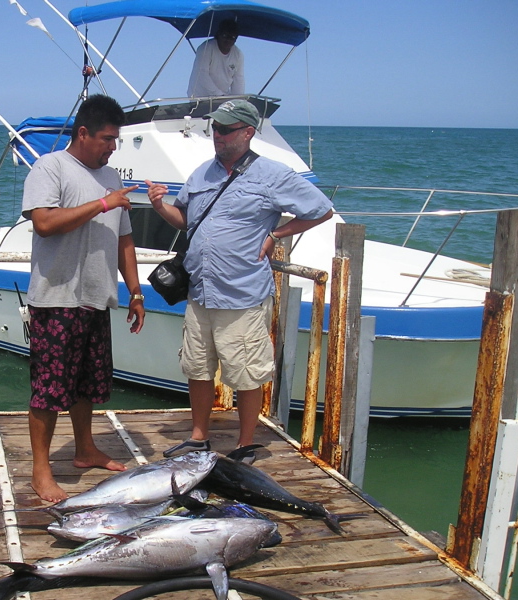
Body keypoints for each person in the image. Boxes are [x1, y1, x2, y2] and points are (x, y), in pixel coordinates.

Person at [146, 99, 333, 464]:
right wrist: (157, 206)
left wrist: (277, 234)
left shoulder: (273, 174)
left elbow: (321, 209)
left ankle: (244, 444)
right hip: (199, 293)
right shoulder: (201, 174)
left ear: (248, 133)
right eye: (215, 128)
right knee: (197, 368)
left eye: (226, 129)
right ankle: (199, 437)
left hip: (243, 295)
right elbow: (184, 220)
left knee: (247, 374)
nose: (218, 134)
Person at [21, 94, 146, 503]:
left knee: (87, 385)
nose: (112, 147)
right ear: (83, 133)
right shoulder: (50, 166)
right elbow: (43, 223)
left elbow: (124, 238)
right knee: (49, 390)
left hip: (96, 297)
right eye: (107, 139)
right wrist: (102, 203)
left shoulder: (111, 177)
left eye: (117, 140)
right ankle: (41, 471)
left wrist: (135, 291)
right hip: (56, 297)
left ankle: (84, 449)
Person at [187, 19, 245, 98]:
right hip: (199, 98)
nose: (228, 40)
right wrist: (219, 95)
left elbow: (239, 79)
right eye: (225, 35)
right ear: (218, 34)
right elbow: (202, 75)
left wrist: (238, 100)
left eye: (232, 37)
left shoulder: (238, 54)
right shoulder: (206, 48)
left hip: (222, 99)